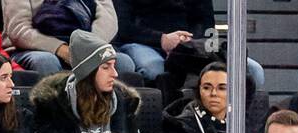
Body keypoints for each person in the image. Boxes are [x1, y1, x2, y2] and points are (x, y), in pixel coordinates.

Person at [29, 30, 144, 133]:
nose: (115, 73)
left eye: (114, 65)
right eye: (106, 67)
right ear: (87, 72)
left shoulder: (123, 103)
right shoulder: (53, 105)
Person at [113, 0, 264, 91]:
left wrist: (187, 43)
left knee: (254, 71)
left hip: (189, 45)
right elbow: (123, 26)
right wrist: (162, 39)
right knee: (155, 70)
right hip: (143, 43)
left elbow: (206, 22)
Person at [3, 0, 135, 76]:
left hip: (87, 44)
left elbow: (109, 20)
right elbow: (18, 29)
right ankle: (53, 119)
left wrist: (86, 46)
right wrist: (60, 49)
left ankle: (111, 120)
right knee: (45, 61)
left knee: (123, 62)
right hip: (35, 48)